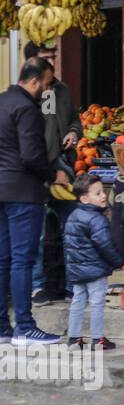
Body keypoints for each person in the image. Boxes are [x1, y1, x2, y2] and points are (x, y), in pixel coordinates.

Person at [0, 56, 63, 345]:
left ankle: (2, 327)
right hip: (24, 194)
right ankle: (25, 327)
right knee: (22, 261)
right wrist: (53, 175)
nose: (46, 91)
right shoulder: (27, 109)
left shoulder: (1, 101)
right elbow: (31, 155)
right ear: (35, 81)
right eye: (46, 84)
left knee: (3, 261)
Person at [24, 40, 79, 303]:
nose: (53, 63)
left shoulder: (62, 90)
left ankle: (72, 286)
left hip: (62, 167)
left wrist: (73, 132)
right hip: (37, 170)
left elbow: (74, 118)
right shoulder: (27, 97)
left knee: (73, 227)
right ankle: (37, 287)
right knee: (37, 233)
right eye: (47, 58)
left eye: (54, 56)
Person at [63, 174, 124, 349]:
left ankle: (74, 338)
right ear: (84, 199)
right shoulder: (97, 219)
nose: (103, 195)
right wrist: (119, 262)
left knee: (78, 301)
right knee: (97, 303)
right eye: (97, 193)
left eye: (102, 191)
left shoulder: (73, 216)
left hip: (76, 269)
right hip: (95, 269)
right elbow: (105, 245)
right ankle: (98, 339)